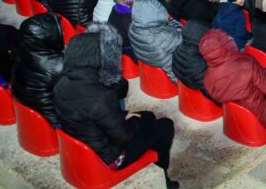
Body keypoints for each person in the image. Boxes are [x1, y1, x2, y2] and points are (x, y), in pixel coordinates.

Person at [53, 24, 178, 188]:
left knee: (148, 116)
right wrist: (133, 121)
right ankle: (164, 178)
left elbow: (93, 115)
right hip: (109, 158)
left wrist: (125, 118)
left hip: (87, 143)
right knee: (165, 126)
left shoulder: (60, 84)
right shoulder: (100, 95)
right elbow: (123, 136)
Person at [200, 29, 266, 126]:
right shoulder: (246, 63)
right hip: (262, 117)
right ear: (226, 45)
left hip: (236, 118)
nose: (231, 38)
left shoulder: (207, 77)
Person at [11, 13, 65, 127]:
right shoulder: (58, 65)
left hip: (25, 105)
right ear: (49, 36)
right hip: (51, 118)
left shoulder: (20, 50)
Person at [128, 0, 183, 81]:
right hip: (173, 74)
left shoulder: (132, 27)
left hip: (152, 67)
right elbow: (182, 37)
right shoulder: (163, 36)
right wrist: (172, 21)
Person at [171, 20, 213, 99]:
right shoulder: (199, 64)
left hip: (184, 86)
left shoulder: (177, 49)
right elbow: (209, 92)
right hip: (197, 94)